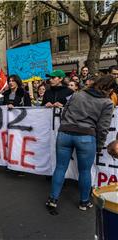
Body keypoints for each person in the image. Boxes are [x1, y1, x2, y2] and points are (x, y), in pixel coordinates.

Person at [46, 75, 116, 212]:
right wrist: (99, 146)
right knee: (84, 171)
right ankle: (84, 202)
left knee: (60, 167)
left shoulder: (77, 94)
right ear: (110, 89)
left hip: (65, 133)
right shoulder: (107, 103)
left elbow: (64, 113)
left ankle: (52, 199)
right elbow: (103, 127)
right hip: (86, 137)